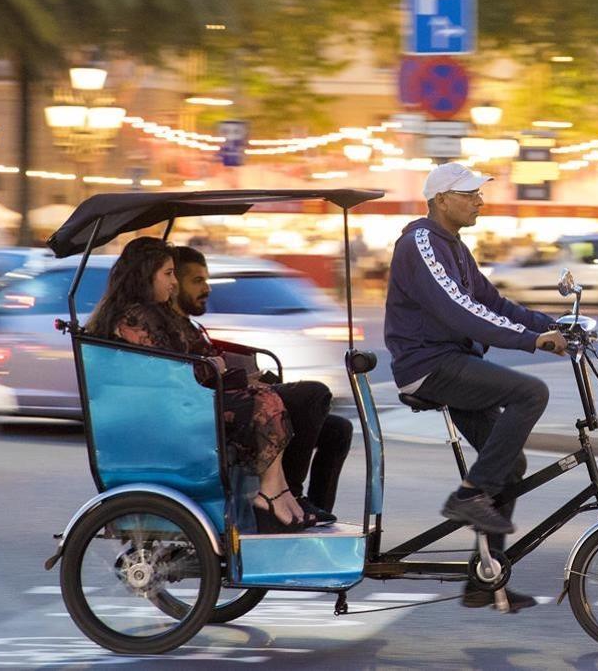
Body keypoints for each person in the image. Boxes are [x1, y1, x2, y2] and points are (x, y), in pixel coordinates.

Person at [384, 162, 567, 612]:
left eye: (479, 193)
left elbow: (491, 301)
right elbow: (459, 310)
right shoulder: (420, 242)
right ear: (441, 199)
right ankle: (469, 495)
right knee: (531, 393)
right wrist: (530, 341)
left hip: (455, 361)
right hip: (429, 364)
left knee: (511, 464)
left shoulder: (455, 247)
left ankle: (485, 579)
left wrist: (554, 324)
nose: (480, 201)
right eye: (470, 194)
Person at [85, 237, 306, 534]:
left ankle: (276, 491)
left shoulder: (151, 314)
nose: (173, 283)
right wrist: (209, 366)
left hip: (178, 402)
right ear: (144, 274)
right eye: (168, 274)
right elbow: (162, 369)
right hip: (164, 413)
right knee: (265, 402)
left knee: (266, 398)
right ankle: (271, 494)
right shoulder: (134, 318)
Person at [172, 246, 352, 525]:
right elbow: (194, 376)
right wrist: (240, 378)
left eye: (206, 280)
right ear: (173, 284)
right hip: (213, 406)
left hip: (233, 393)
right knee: (313, 394)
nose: (206, 288)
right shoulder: (164, 326)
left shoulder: (188, 325)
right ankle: (288, 494)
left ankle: (311, 508)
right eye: (197, 281)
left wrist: (248, 375)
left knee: (338, 429)